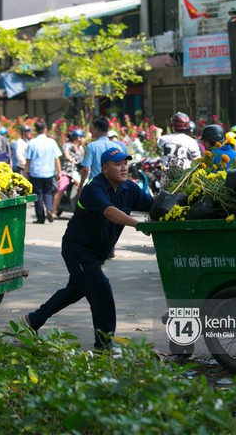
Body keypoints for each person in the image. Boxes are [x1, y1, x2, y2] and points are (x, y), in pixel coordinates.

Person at [25, 147, 154, 351]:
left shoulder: (129, 188)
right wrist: (138, 225)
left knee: (75, 290)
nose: (124, 168)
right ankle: (104, 344)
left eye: (125, 164)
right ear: (104, 168)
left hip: (97, 252)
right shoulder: (94, 188)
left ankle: (33, 320)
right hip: (78, 250)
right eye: (118, 164)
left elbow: (152, 205)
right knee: (101, 290)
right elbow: (110, 212)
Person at [77, 117, 127, 198]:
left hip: (96, 186)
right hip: (113, 186)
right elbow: (122, 167)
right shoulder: (117, 147)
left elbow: (86, 168)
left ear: (96, 130)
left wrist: (81, 186)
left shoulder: (91, 146)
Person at [24, 120, 62, 224]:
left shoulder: (32, 143)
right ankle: (49, 209)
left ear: (35, 130)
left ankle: (40, 217)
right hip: (49, 172)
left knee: (38, 195)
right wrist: (59, 172)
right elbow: (56, 158)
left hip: (35, 173)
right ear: (45, 130)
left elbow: (28, 161)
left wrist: (25, 174)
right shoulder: (51, 142)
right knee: (48, 193)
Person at [53, 129, 85, 216]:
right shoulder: (67, 145)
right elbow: (66, 153)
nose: (83, 139)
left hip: (77, 173)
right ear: (78, 138)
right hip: (67, 172)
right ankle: (53, 212)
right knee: (61, 190)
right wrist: (70, 159)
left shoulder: (81, 148)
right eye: (82, 137)